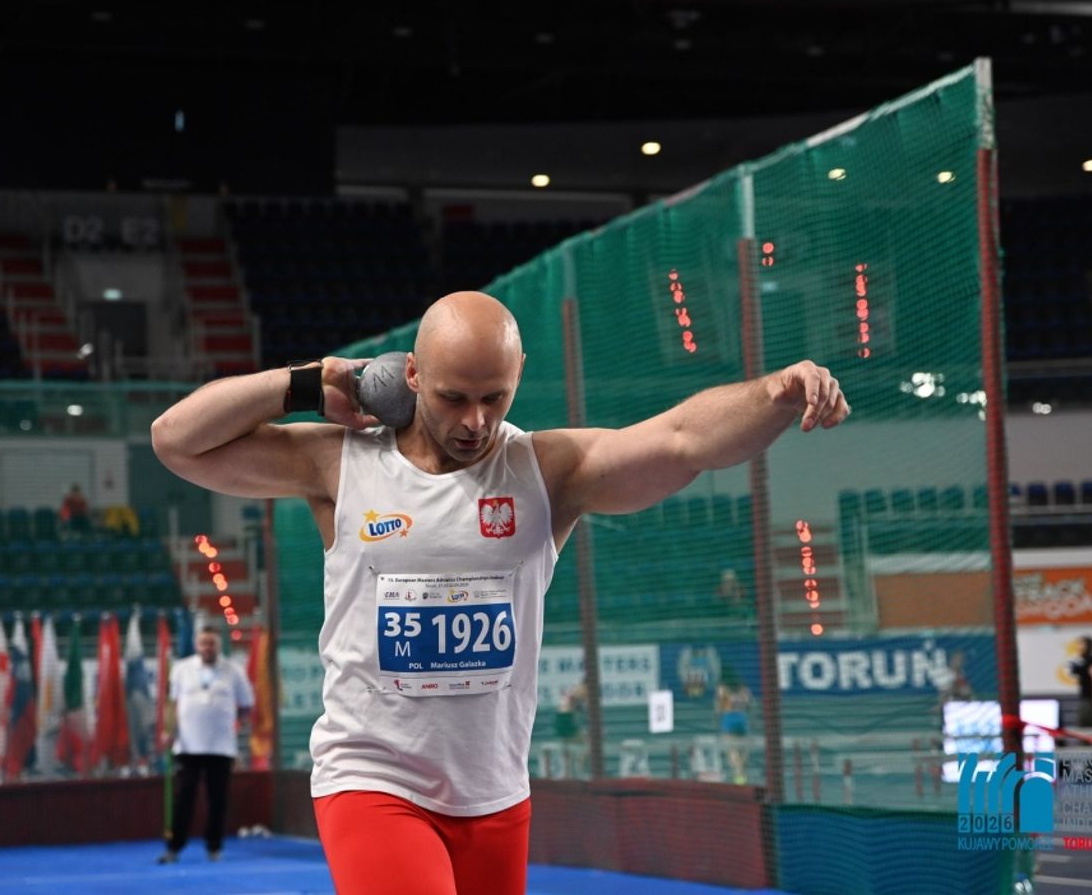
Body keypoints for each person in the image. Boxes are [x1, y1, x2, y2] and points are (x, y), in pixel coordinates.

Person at [150, 291, 849, 895]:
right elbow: (176, 441)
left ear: (519, 377)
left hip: (494, 791)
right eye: (453, 397)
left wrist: (776, 392)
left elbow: (681, 439)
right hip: (370, 776)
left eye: (495, 398)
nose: (475, 422)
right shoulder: (340, 462)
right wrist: (309, 383)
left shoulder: (546, 471)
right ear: (412, 375)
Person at [159, 625, 254, 864]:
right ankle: (174, 848)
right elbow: (172, 703)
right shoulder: (181, 669)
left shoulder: (234, 670)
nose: (207, 648)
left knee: (218, 799)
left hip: (222, 747)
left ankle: (214, 847)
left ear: (218, 645)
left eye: (211, 643)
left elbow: (246, 704)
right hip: (188, 746)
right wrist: (168, 730)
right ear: (196, 645)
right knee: (183, 798)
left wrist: (237, 724)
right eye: (203, 643)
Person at [715, 665, 754, 785]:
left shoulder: (722, 689)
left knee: (731, 750)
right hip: (742, 720)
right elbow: (749, 706)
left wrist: (718, 723)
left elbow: (719, 709)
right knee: (743, 750)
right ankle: (742, 774)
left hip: (729, 720)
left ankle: (739, 776)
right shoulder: (744, 689)